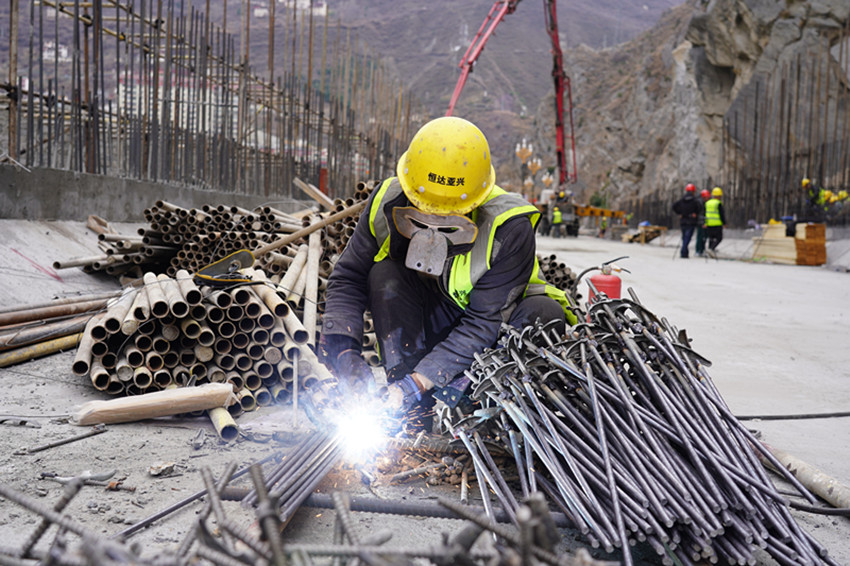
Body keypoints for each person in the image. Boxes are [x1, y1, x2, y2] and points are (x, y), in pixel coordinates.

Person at [318, 116, 577, 430]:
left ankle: (480, 409)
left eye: (448, 215)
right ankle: (411, 411)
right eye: (422, 208)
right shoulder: (387, 201)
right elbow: (349, 277)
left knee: (543, 312)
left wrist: (421, 380)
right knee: (385, 276)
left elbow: (484, 323)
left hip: (493, 335)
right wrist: (344, 350)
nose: (433, 220)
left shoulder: (509, 227)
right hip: (430, 320)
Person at [671, 183, 701, 258]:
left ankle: (685, 253)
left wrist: (679, 212)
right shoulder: (695, 200)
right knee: (687, 237)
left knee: (684, 237)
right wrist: (696, 213)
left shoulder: (682, 200)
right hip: (691, 221)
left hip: (683, 220)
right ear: (693, 191)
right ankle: (683, 251)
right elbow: (700, 208)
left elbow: (674, 206)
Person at [704, 186, 726, 257]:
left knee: (711, 238)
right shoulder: (718, 203)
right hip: (717, 223)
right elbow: (721, 214)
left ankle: (710, 250)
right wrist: (724, 223)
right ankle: (711, 249)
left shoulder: (707, 203)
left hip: (709, 223)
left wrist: (705, 223)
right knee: (719, 238)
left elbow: (704, 213)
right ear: (719, 195)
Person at [695, 188, 711, 256]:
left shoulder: (707, 202)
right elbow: (699, 214)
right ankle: (698, 250)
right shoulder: (699, 203)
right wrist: (703, 223)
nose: (707, 198)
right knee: (700, 237)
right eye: (706, 197)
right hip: (700, 222)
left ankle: (702, 250)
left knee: (705, 237)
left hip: (706, 222)